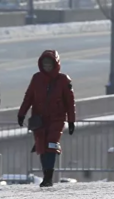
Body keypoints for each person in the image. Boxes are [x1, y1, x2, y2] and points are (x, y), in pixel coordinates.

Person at [18, 50, 76, 188]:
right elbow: (29, 97)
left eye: (50, 64)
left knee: (51, 145)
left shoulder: (63, 80)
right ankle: (46, 175)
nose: (47, 66)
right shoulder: (36, 78)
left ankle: (48, 177)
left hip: (57, 119)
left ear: (55, 64)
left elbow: (70, 101)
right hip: (39, 119)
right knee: (42, 147)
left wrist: (71, 120)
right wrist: (21, 113)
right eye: (45, 64)